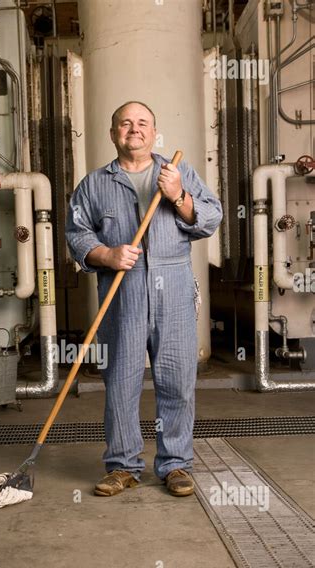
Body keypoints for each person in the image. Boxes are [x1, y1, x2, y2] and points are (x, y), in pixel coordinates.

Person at [65, 101, 223, 497]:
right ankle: (122, 466)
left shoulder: (177, 172)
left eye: (142, 123)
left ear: (154, 132)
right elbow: (77, 234)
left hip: (173, 286)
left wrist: (179, 196)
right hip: (123, 288)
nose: (133, 129)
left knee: (177, 380)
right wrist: (107, 255)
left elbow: (211, 217)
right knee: (120, 380)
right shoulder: (94, 184)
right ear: (113, 132)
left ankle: (175, 465)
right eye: (125, 123)